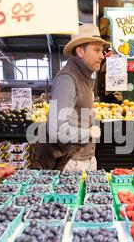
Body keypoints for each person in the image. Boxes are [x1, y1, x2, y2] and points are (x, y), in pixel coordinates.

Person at [33, 24, 109, 171]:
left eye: (102, 51)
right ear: (80, 51)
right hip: (72, 162)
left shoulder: (84, 77)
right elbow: (57, 130)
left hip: (83, 159)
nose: (102, 56)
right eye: (97, 50)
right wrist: (88, 132)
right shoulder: (67, 79)